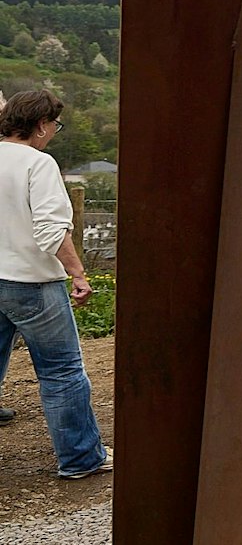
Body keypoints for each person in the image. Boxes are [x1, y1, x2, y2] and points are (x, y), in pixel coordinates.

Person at [0, 89, 110, 479]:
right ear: (42, 124)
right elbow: (50, 232)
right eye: (54, 125)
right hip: (32, 283)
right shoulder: (38, 163)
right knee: (61, 371)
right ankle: (81, 458)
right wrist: (78, 273)